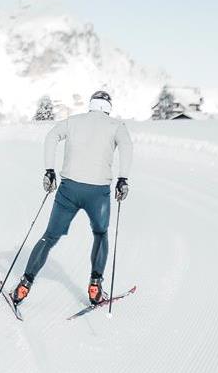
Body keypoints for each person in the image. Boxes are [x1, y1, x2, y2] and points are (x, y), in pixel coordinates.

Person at [11, 89, 134, 308]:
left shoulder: (73, 121)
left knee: (49, 237)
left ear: (91, 105)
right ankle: (95, 285)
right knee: (100, 234)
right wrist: (123, 179)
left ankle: (25, 283)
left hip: (69, 190)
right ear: (108, 108)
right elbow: (127, 147)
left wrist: (49, 170)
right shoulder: (116, 126)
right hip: (98, 193)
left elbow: (51, 137)